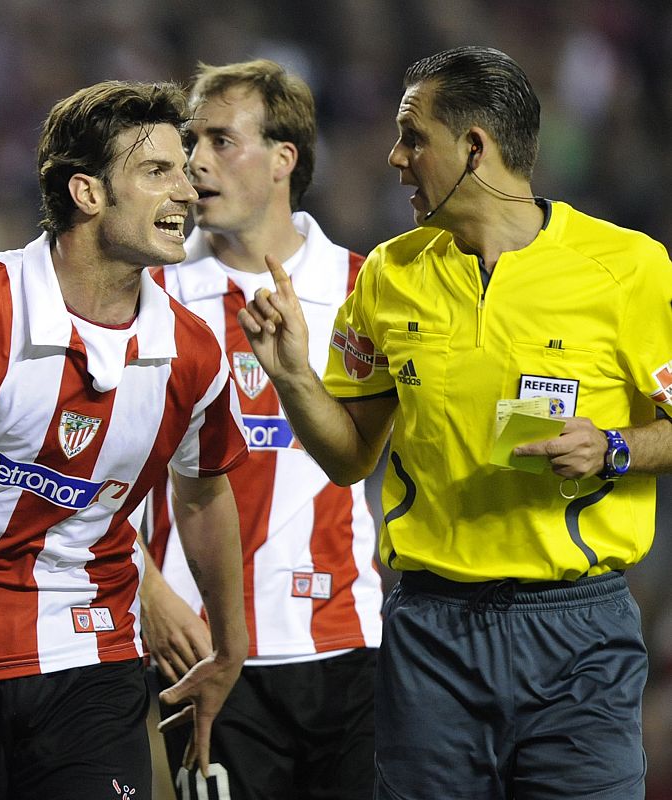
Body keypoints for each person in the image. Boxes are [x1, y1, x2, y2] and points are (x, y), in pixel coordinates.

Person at [238, 46, 672, 800]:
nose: (394, 156)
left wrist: (616, 447)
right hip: (430, 632)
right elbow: (349, 458)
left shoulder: (629, 268)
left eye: (413, 136)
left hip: (578, 632)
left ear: (475, 148)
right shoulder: (390, 273)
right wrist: (294, 378)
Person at [0, 80, 249, 799]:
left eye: (186, 172)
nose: (186, 193)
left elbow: (203, 492)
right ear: (88, 194)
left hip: (92, 659)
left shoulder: (192, 353)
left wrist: (230, 642)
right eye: (157, 172)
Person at [140, 58, 383, 800]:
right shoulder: (153, 295)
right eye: (191, 141)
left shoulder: (366, 288)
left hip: (348, 645)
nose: (197, 161)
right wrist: (144, 588)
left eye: (220, 140)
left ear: (285, 159)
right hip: (203, 653)